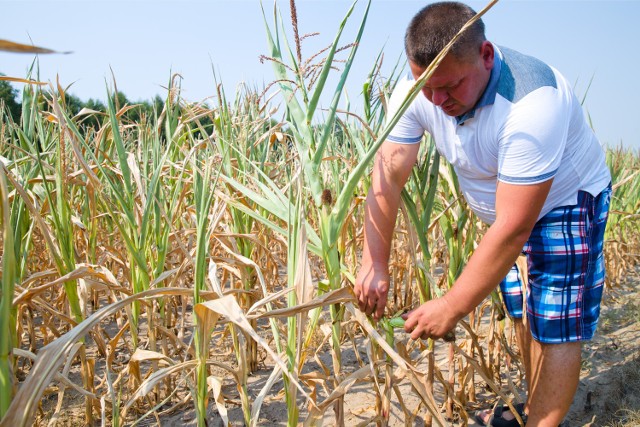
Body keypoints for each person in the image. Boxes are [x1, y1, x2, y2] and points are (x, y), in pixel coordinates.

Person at [353, 2, 612, 426]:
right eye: (426, 86)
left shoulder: (532, 103)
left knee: (554, 320)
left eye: (450, 86)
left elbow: (515, 227)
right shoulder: (421, 90)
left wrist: (452, 306)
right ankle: (532, 410)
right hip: (505, 211)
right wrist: (374, 261)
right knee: (523, 310)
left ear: (486, 55)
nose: (437, 101)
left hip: (563, 201)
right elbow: (388, 174)